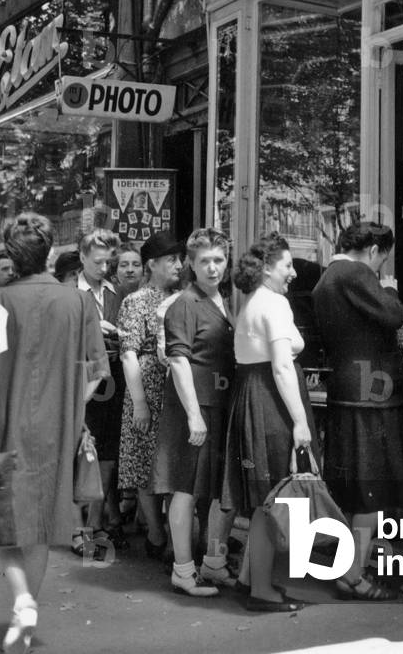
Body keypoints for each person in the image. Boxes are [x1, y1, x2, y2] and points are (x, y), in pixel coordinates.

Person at [0, 212, 109, 654]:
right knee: (39, 525)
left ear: (9, 256)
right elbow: (95, 373)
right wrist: (72, 405)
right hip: (58, 427)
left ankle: (20, 601)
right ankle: (27, 610)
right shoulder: (79, 303)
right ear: (51, 252)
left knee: (2, 526)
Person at [312, 220, 403, 601]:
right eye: (381, 261)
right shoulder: (357, 274)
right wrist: (389, 291)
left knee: (354, 489)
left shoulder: (328, 277)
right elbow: (392, 316)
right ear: (373, 251)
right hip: (373, 394)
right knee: (372, 489)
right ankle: (354, 574)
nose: (381, 269)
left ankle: (350, 567)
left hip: (346, 388)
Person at [222, 232, 315, 613]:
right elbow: (281, 366)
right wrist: (300, 423)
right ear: (266, 269)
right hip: (271, 401)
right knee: (278, 492)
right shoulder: (274, 305)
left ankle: (251, 579)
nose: (293, 273)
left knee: (267, 493)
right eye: (288, 265)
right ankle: (263, 588)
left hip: (251, 397)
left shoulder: (253, 303)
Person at [152, 226, 235, 597]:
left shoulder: (225, 299)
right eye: (205, 261)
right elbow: (179, 361)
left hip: (217, 403)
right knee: (185, 489)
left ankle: (213, 565)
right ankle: (183, 572)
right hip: (194, 406)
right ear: (190, 263)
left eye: (219, 260)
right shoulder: (185, 302)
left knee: (214, 490)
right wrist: (193, 415)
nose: (213, 268)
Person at [117, 231, 182, 559]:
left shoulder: (182, 296)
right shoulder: (136, 300)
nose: (178, 266)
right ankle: (155, 533)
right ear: (152, 264)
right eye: (171, 259)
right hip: (146, 385)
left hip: (174, 386)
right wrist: (139, 403)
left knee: (169, 462)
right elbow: (128, 353)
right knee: (143, 461)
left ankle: (172, 534)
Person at [76, 228, 126, 554]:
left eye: (108, 262)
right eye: (97, 262)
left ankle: (94, 523)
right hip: (81, 378)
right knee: (81, 450)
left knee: (106, 453)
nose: (103, 269)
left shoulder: (117, 294)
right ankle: (77, 527)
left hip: (112, 378)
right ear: (81, 257)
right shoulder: (68, 293)